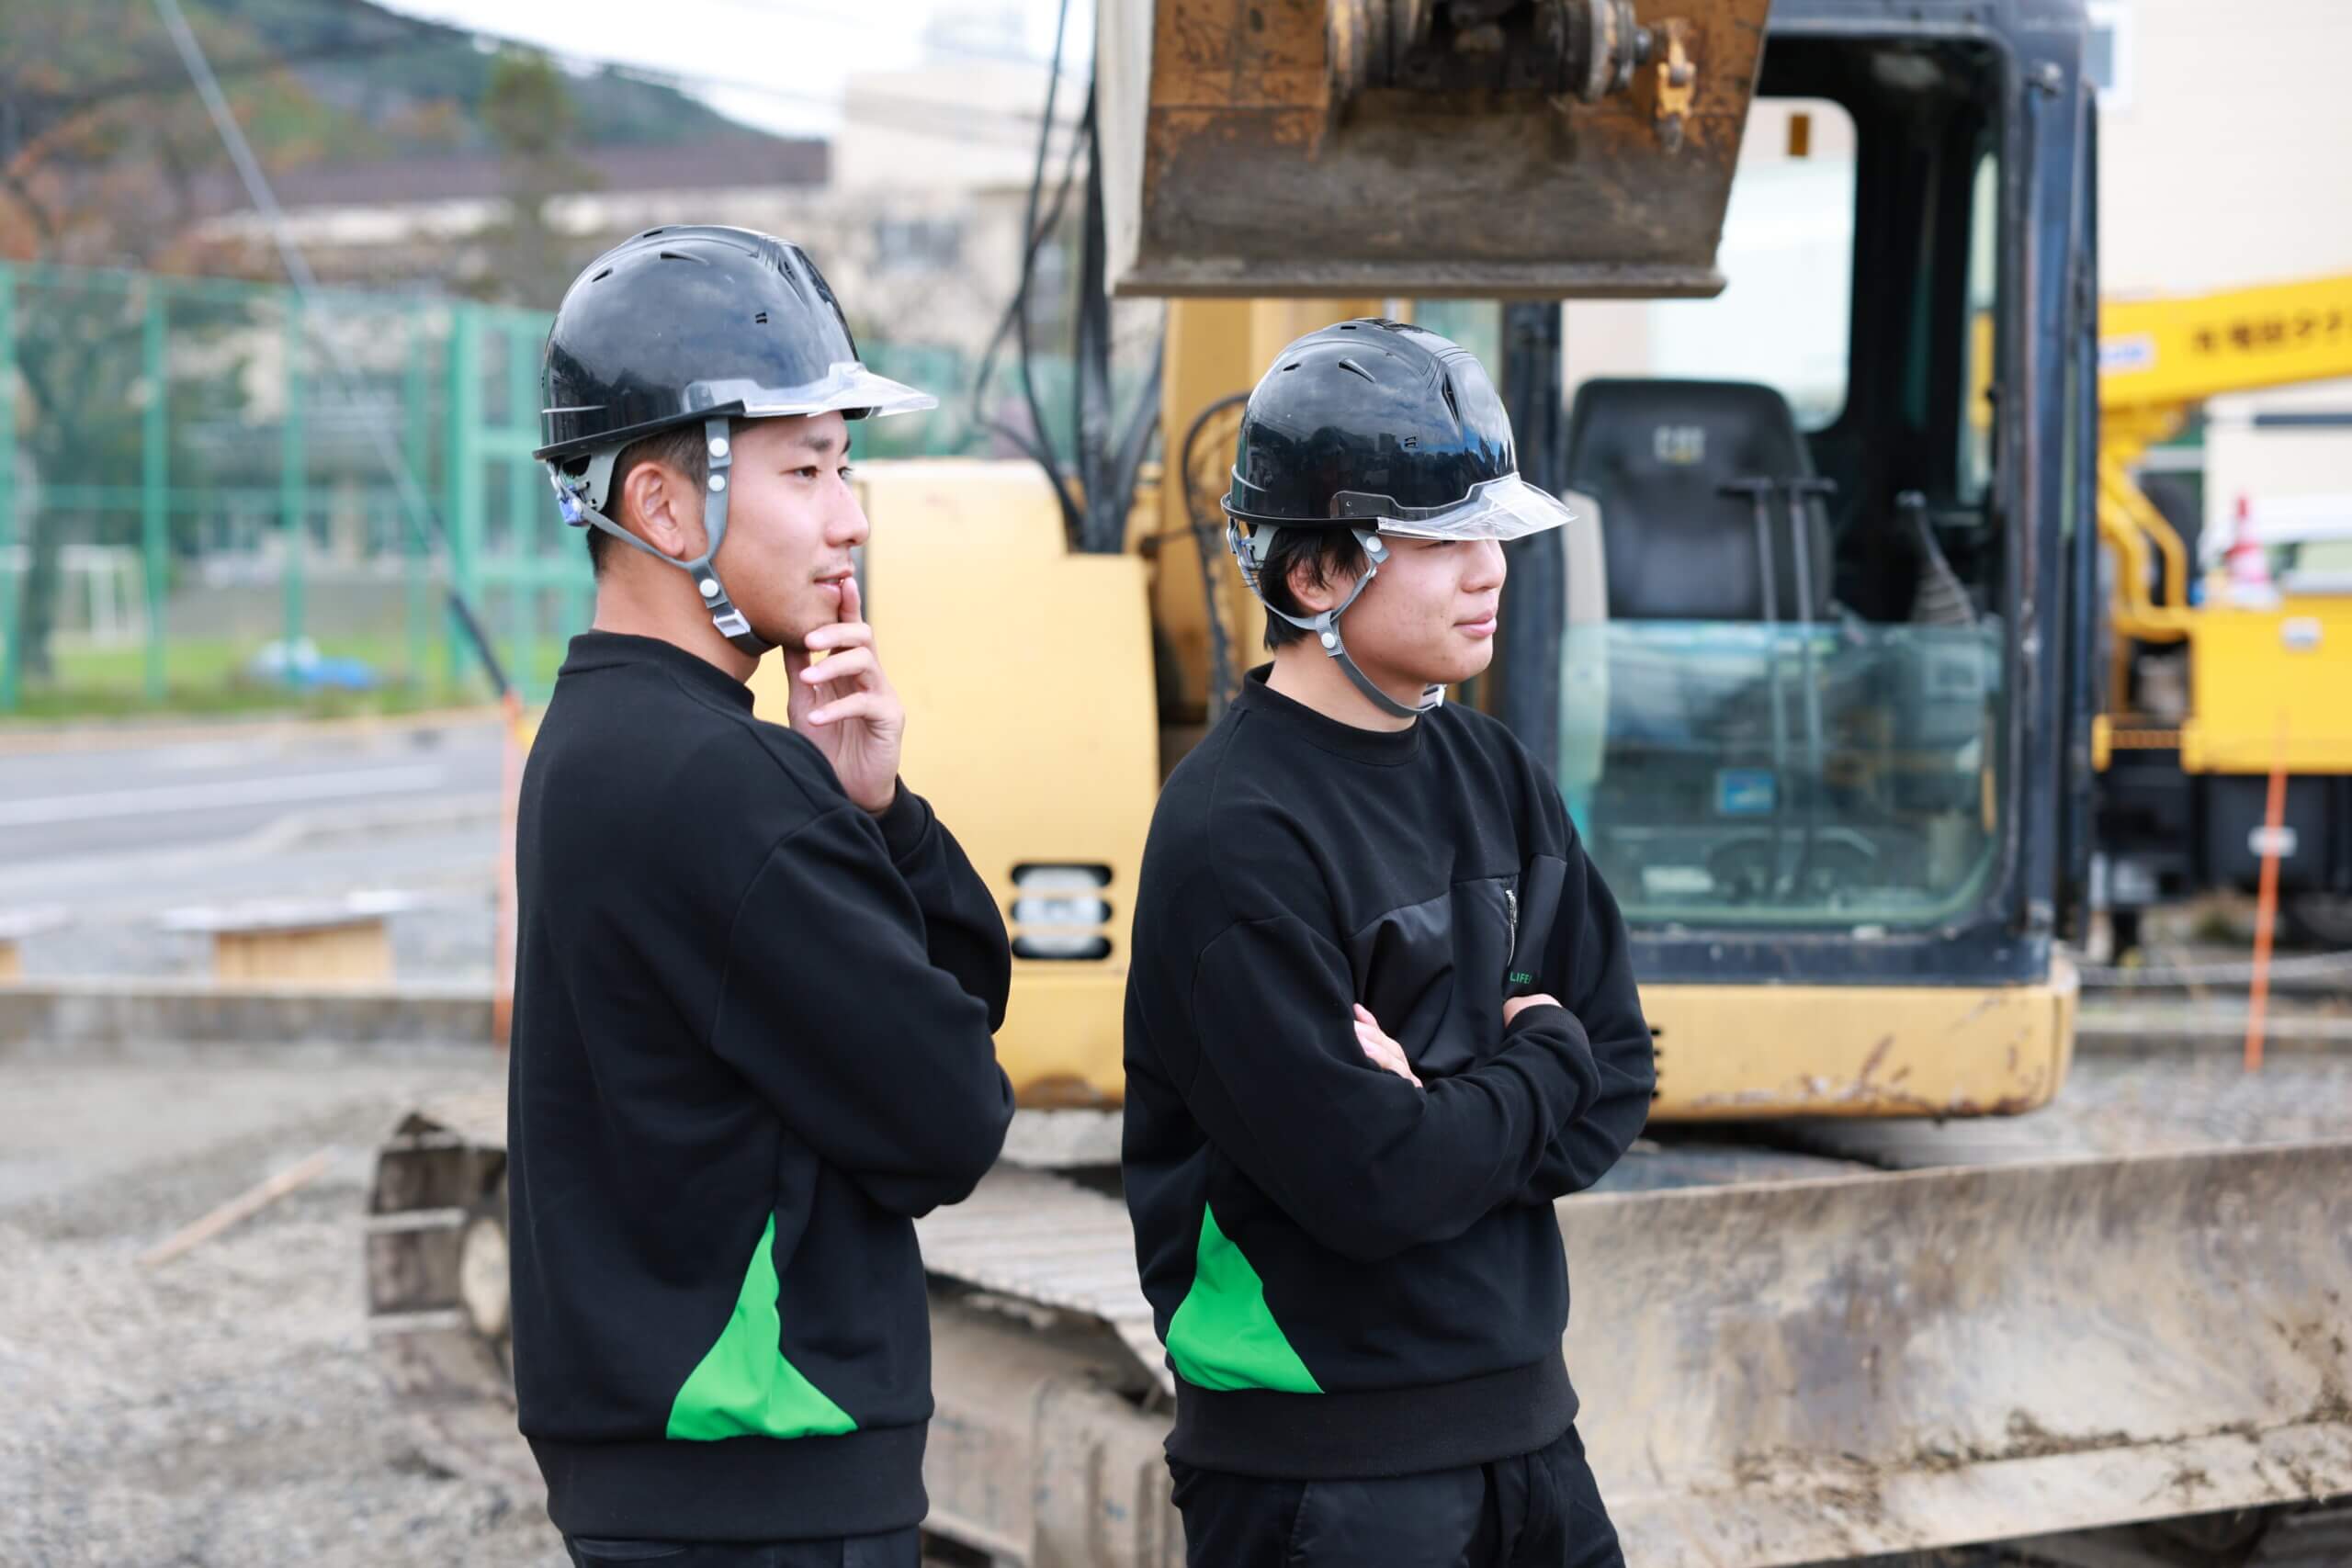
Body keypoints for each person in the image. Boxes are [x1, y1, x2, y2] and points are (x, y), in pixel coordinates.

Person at [510, 225, 1015, 1568]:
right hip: (766, 1484)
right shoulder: (722, 787)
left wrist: (879, 812)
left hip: (677, 1475)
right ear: (665, 508)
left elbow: (949, 1005)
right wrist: (846, 824)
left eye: (845, 467)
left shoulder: (599, 740)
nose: (851, 517)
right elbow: (953, 1116)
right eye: (806, 469)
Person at [1121, 318, 1657, 1567]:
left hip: (1533, 1440)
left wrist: (1447, 1107)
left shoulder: (1495, 775)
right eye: (1445, 541)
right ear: (1317, 574)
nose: (1492, 572)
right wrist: (1536, 1054)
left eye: (1493, 535)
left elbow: (1620, 1074)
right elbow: (1373, 1182)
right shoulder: (1234, 835)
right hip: (1323, 1480)